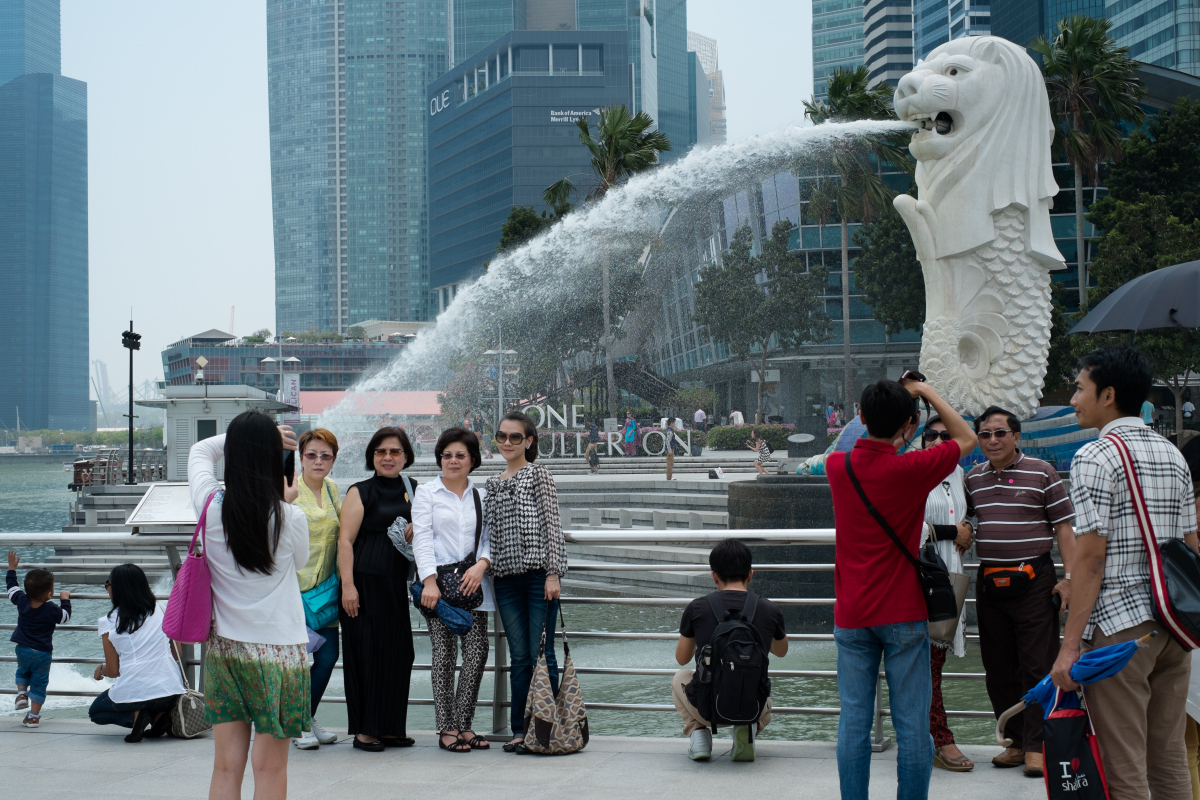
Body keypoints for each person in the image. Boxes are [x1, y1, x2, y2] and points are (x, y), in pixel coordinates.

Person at [1052, 346, 1198, 800]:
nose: (1073, 399)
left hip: (1119, 631)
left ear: (1108, 394)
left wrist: (1070, 647)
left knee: (1125, 765)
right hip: (1175, 626)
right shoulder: (1173, 454)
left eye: (1079, 388)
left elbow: (1091, 559)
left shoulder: (1094, 456)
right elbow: (1191, 545)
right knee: (1169, 756)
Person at [824, 378, 977, 800]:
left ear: (859, 416)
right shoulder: (913, 468)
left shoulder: (839, 466)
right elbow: (966, 437)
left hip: (853, 613)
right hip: (905, 614)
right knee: (912, 727)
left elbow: (859, 441)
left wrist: (886, 410)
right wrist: (926, 393)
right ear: (910, 425)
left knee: (853, 721)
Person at [189, 410, 310, 800]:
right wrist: (284, 499)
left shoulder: (210, 508)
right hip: (280, 653)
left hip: (225, 649)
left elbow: (200, 450)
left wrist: (249, 436)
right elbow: (303, 563)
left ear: (237, 455)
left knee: (226, 765)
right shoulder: (290, 516)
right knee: (271, 767)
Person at [965, 405, 1075, 777]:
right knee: (997, 668)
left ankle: (1037, 746)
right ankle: (1012, 743)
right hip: (989, 582)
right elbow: (960, 519)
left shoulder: (1042, 473)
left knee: (1037, 664)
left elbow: (1064, 529)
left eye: (999, 433)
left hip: (1035, 581)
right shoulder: (973, 478)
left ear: (1016, 436)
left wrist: (1069, 578)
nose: (992, 440)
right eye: (984, 434)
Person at [484, 411, 568, 753]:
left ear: (528, 441)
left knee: (541, 653)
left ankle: (546, 730)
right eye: (502, 437)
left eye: (515, 437)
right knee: (519, 656)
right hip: (505, 580)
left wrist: (553, 573)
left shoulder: (538, 474)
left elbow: (552, 524)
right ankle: (520, 730)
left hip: (538, 577)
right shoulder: (492, 482)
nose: (507, 443)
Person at [412, 428, 494, 754]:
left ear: (472, 459)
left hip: (474, 585)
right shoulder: (427, 493)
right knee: (444, 655)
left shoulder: (482, 496)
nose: (453, 461)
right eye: (447, 455)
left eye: (460, 455)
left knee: (476, 655)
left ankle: (464, 723)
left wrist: (482, 564)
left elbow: (489, 537)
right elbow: (421, 538)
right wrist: (429, 581)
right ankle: (447, 727)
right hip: (439, 588)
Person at [338, 426, 418, 752]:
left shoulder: (413, 488)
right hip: (364, 583)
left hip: (396, 584)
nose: (388, 457)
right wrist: (348, 587)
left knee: (399, 654)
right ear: (372, 456)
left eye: (395, 451)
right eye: (381, 451)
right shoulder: (360, 490)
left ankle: (389, 728)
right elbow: (344, 540)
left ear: (406, 457)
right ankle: (365, 731)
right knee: (366, 655)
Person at [672, 539, 787, 762]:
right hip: (752, 707)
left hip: (707, 709)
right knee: (766, 695)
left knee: (679, 678)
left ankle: (699, 736)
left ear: (714, 576)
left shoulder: (697, 608)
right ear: (751, 574)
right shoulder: (769, 609)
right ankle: (746, 731)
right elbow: (781, 651)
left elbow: (681, 658)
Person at [919, 417, 974, 772]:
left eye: (945, 435)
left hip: (950, 580)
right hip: (921, 583)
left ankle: (925, 737)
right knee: (928, 668)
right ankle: (941, 739)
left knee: (932, 665)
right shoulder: (913, 472)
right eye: (931, 435)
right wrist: (953, 530)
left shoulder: (958, 474)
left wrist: (967, 529)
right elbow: (910, 526)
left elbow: (968, 521)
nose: (939, 440)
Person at [88, 563, 185, 742]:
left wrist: (100, 669)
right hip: (170, 691)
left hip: (137, 693)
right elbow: (177, 652)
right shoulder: (163, 609)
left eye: (108, 584)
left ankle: (136, 716)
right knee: (150, 697)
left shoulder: (108, 622)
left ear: (116, 589)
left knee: (96, 711)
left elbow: (113, 670)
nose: (107, 589)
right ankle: (158, 718)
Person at [290, 428, 342, 751]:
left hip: (325, 593)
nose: (318, 461)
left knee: (328, 656)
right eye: (312, 455)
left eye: (326, 455)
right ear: (301, 458)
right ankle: (296, 725)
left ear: (334, 460)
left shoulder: (334, 489)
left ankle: (305, 717)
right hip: (293, 590)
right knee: (297, 661)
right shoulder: (289, 489)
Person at [6, 551, 70, 729]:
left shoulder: (21, 600)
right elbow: (65, 617)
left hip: (23, 649)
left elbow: (11, 588)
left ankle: (20, 694)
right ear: (50, 594)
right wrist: (65, 600)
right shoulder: (51, 609)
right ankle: (33, 717)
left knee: (22, 671)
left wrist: (12, 568)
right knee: (39, 683)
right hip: (42, 653)